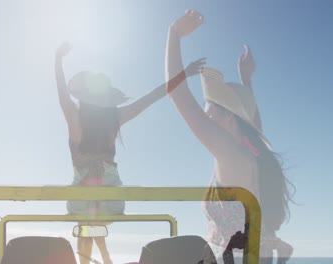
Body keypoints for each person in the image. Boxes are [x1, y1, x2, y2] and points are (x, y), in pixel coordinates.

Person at [164, 10, 294, 263]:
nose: (204, 116)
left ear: (227, 117)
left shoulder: (228, 152)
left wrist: (174, 34)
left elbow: (177, 94)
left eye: (208, 109)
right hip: (255, 257)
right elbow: (253, 123)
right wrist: (246, 79)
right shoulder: (252, 150)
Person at [55, 42, 203, 264]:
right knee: (92, 215)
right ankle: (106, 258)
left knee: (85, 215)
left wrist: (57, 59)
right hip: (113, 201)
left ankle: (94, 259)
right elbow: (153, 96)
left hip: (80, 202)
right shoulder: (114, 120)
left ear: (84, 99)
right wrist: (184, 74)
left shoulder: (74, 119)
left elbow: (62, 94)